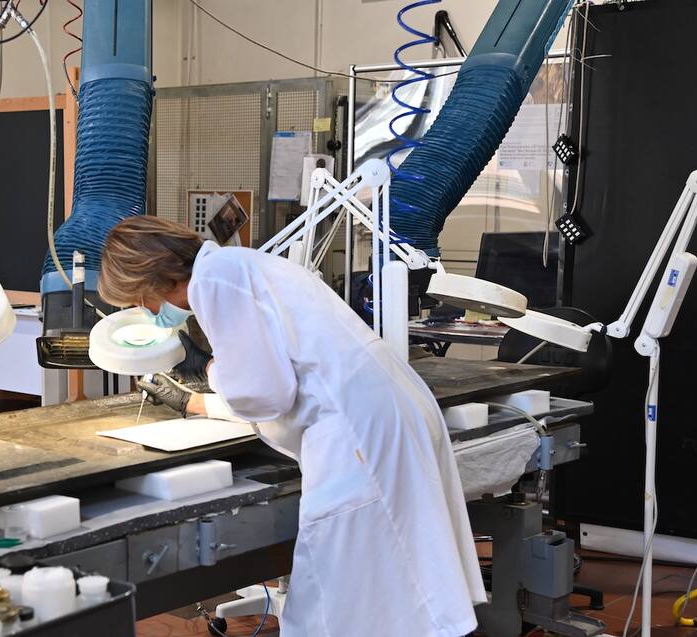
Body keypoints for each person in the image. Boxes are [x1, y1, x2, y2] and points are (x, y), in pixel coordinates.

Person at [99, 217, 486, 637]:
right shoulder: (239, 266)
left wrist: (212, 370)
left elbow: (266, 394)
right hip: (379, 410)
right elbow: (290, 377)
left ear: (156, 278)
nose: (148, 312)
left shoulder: (214, 282)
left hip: (356, 431)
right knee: (395, 579)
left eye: (140, 300)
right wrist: (201, 401)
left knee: (342, 585)